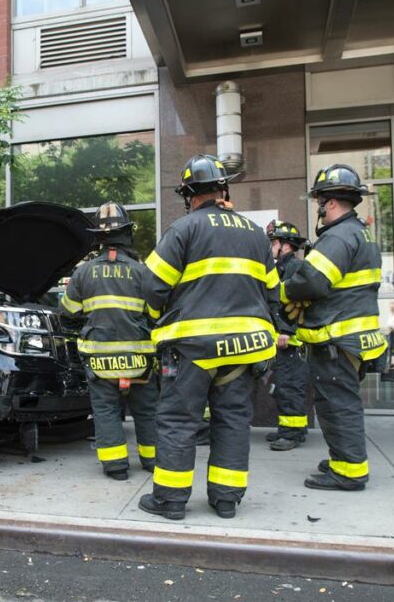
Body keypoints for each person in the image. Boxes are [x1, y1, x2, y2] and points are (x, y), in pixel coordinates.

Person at [137, 154, 279, 521]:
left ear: (189, 194)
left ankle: (170, 500)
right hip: (244, 348)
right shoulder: (255, 234)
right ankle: (227, 499)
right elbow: (274, 292)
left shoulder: (183, 230)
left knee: (178, 421)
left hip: (192, 349)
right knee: (232, 419)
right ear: (223, 189)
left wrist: (155, 321)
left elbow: (152, 286)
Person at [281, 164, 385, 492]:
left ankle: (349, 472)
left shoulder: (339, 236)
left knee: (337, 405)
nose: (319, 210)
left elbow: (311, 281)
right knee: (340, 401)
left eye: (320, 203)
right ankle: (344, 459)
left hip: (337, 338)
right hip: (350, 337)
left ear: (330, 203)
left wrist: (283, 291)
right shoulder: (359, 233)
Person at [60, 201, 158, 481]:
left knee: (106, 411)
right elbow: (155, 315)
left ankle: (116, 466)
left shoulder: (83, 273)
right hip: (140, 361)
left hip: (100, 361)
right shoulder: (143, 272)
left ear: (98, 237)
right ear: (126, 233)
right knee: (147, 410)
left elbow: (68, 315)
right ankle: (152, 460)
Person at [263, 220, 310, 451]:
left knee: (289, 387)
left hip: (291, 341)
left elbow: (298, 302)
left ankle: (290, 434)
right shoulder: (283, 267)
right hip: (286, 340)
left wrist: (286, 331)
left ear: (286, 245)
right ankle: (293, 430)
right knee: (285, 385)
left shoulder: (294, 268)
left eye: (274, 242)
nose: (271, 246)